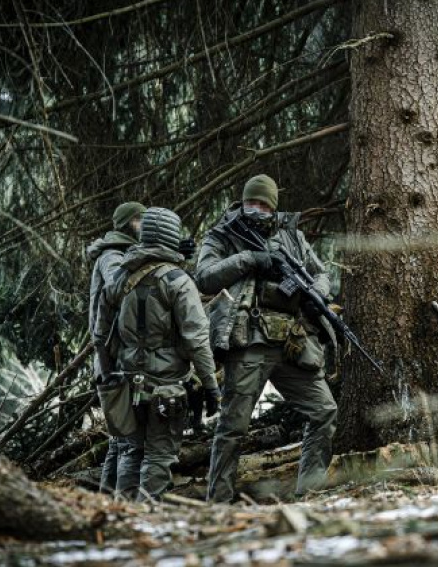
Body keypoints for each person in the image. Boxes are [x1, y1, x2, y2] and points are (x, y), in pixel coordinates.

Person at [195, 174, 338, 502]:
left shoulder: (292, 235)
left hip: (293, 341)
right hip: (249, 341)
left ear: (273, 207)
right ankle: (219, 503)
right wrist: (250, 259)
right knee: (233, 427)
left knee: (324, 411)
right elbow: (203, 277)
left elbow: (321, 273)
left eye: (263, 203)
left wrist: (316, 295)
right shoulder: (224, 233)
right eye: (251, 202)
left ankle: (308, 494)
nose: (256, 208)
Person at [93, 207, 221, 501]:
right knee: (159, 456)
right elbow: (197, 340)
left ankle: (123, 515)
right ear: (171, 236)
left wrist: (111, 376)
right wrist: (211, 386)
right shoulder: (178, 281)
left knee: (131, 451)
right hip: (167, 386)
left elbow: (100, 337)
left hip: (126, 382)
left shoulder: (119, 278)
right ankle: (144, 517)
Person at [86, 201, 145, 496]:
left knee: (119, 441)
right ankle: (121, 508)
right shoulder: (112, 256)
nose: (143, 225)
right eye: (139, 220)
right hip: (114, 363)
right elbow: (118, 288)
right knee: (130, 444)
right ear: (126, 224)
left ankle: (106, 503)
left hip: (113, 362)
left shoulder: (123, 253)